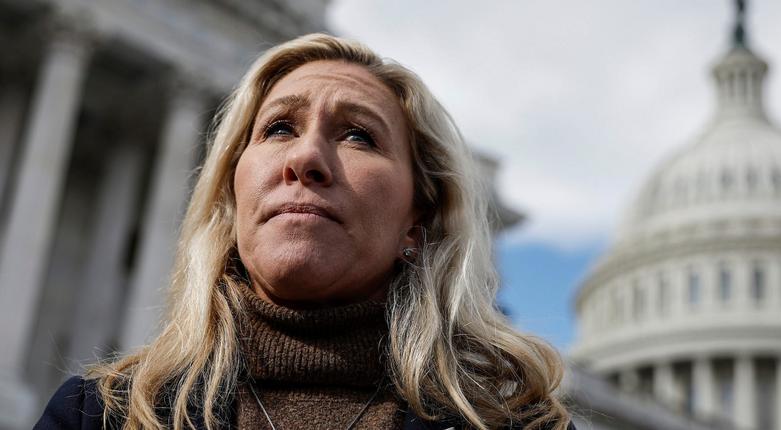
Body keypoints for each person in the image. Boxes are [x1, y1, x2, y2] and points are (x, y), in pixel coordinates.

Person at [35, 33, 573, 430]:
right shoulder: (93, 417)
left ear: (419, 219)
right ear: (232, 197)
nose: (306, 157)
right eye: (278, 128)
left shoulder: (517, 424)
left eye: (359, 136)